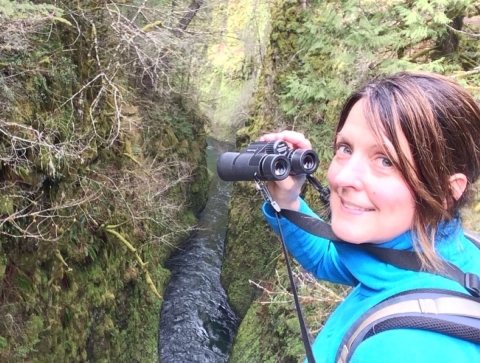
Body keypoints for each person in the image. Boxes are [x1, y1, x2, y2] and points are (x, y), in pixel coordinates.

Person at [260, 71, 480, 362]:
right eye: (345, 148)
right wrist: (286, 199)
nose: (343, 177)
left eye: (385, 161)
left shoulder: (403, 351)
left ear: (445, 190)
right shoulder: (447, 248)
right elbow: (331, 260)